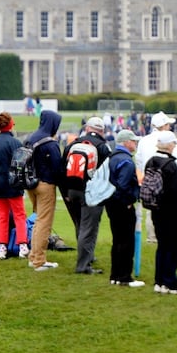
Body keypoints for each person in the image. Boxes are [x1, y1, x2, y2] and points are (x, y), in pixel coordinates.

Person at [61, 116, 112, 275]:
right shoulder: (103, 147)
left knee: (80, 225)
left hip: (72, 191)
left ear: (87, 128)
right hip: (91, 193)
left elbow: (63, 170)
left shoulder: (73, 144)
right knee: (89, 228)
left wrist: (67, 193)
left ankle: (87, 256)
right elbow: (108, 173)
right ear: (102, 131)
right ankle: (83, 265)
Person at [147, 131, 177, 294]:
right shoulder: (170, 165)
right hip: (170, 210)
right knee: (172, 246)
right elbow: (175, 190)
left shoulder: (151, 161)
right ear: (169, 145)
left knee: (162, 246)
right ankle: (170, 283)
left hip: (155, 208)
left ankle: (159, 281)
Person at [135, 112, 177, 244]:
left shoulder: (144, 140)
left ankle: (152, 237)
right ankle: (162, 238)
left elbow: (139, 160)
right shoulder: (168, 140)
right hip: (167, 179)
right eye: (168, 124)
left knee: (152, 209)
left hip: (149, 177)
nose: (169, 127)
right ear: (163, 125)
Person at [106, 130, 144, 288]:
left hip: (111, 203)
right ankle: (124, 277)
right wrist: (129, 201)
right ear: (126, 142)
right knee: (126, 241)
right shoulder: (126, 161)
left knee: (117, 240)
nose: (135, 143)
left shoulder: (112, 157)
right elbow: (123, 185)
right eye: (133, 141)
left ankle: (115, 275)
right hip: (122, 204)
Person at [26, 109, 63, 271]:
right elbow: (58, 168)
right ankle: (39, 260)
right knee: (44, 222)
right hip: (45, 185)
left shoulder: (30, 138)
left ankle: (33, 256)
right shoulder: (50, 143)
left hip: (30, 184)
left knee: (37, 221)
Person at [0, 112, 27, 260]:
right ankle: (22, 245)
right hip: (13, 184)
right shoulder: (16, 143)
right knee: (19, 215)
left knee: (2, 217)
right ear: (10, 125)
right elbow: (21, 165)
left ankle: (2, 248)